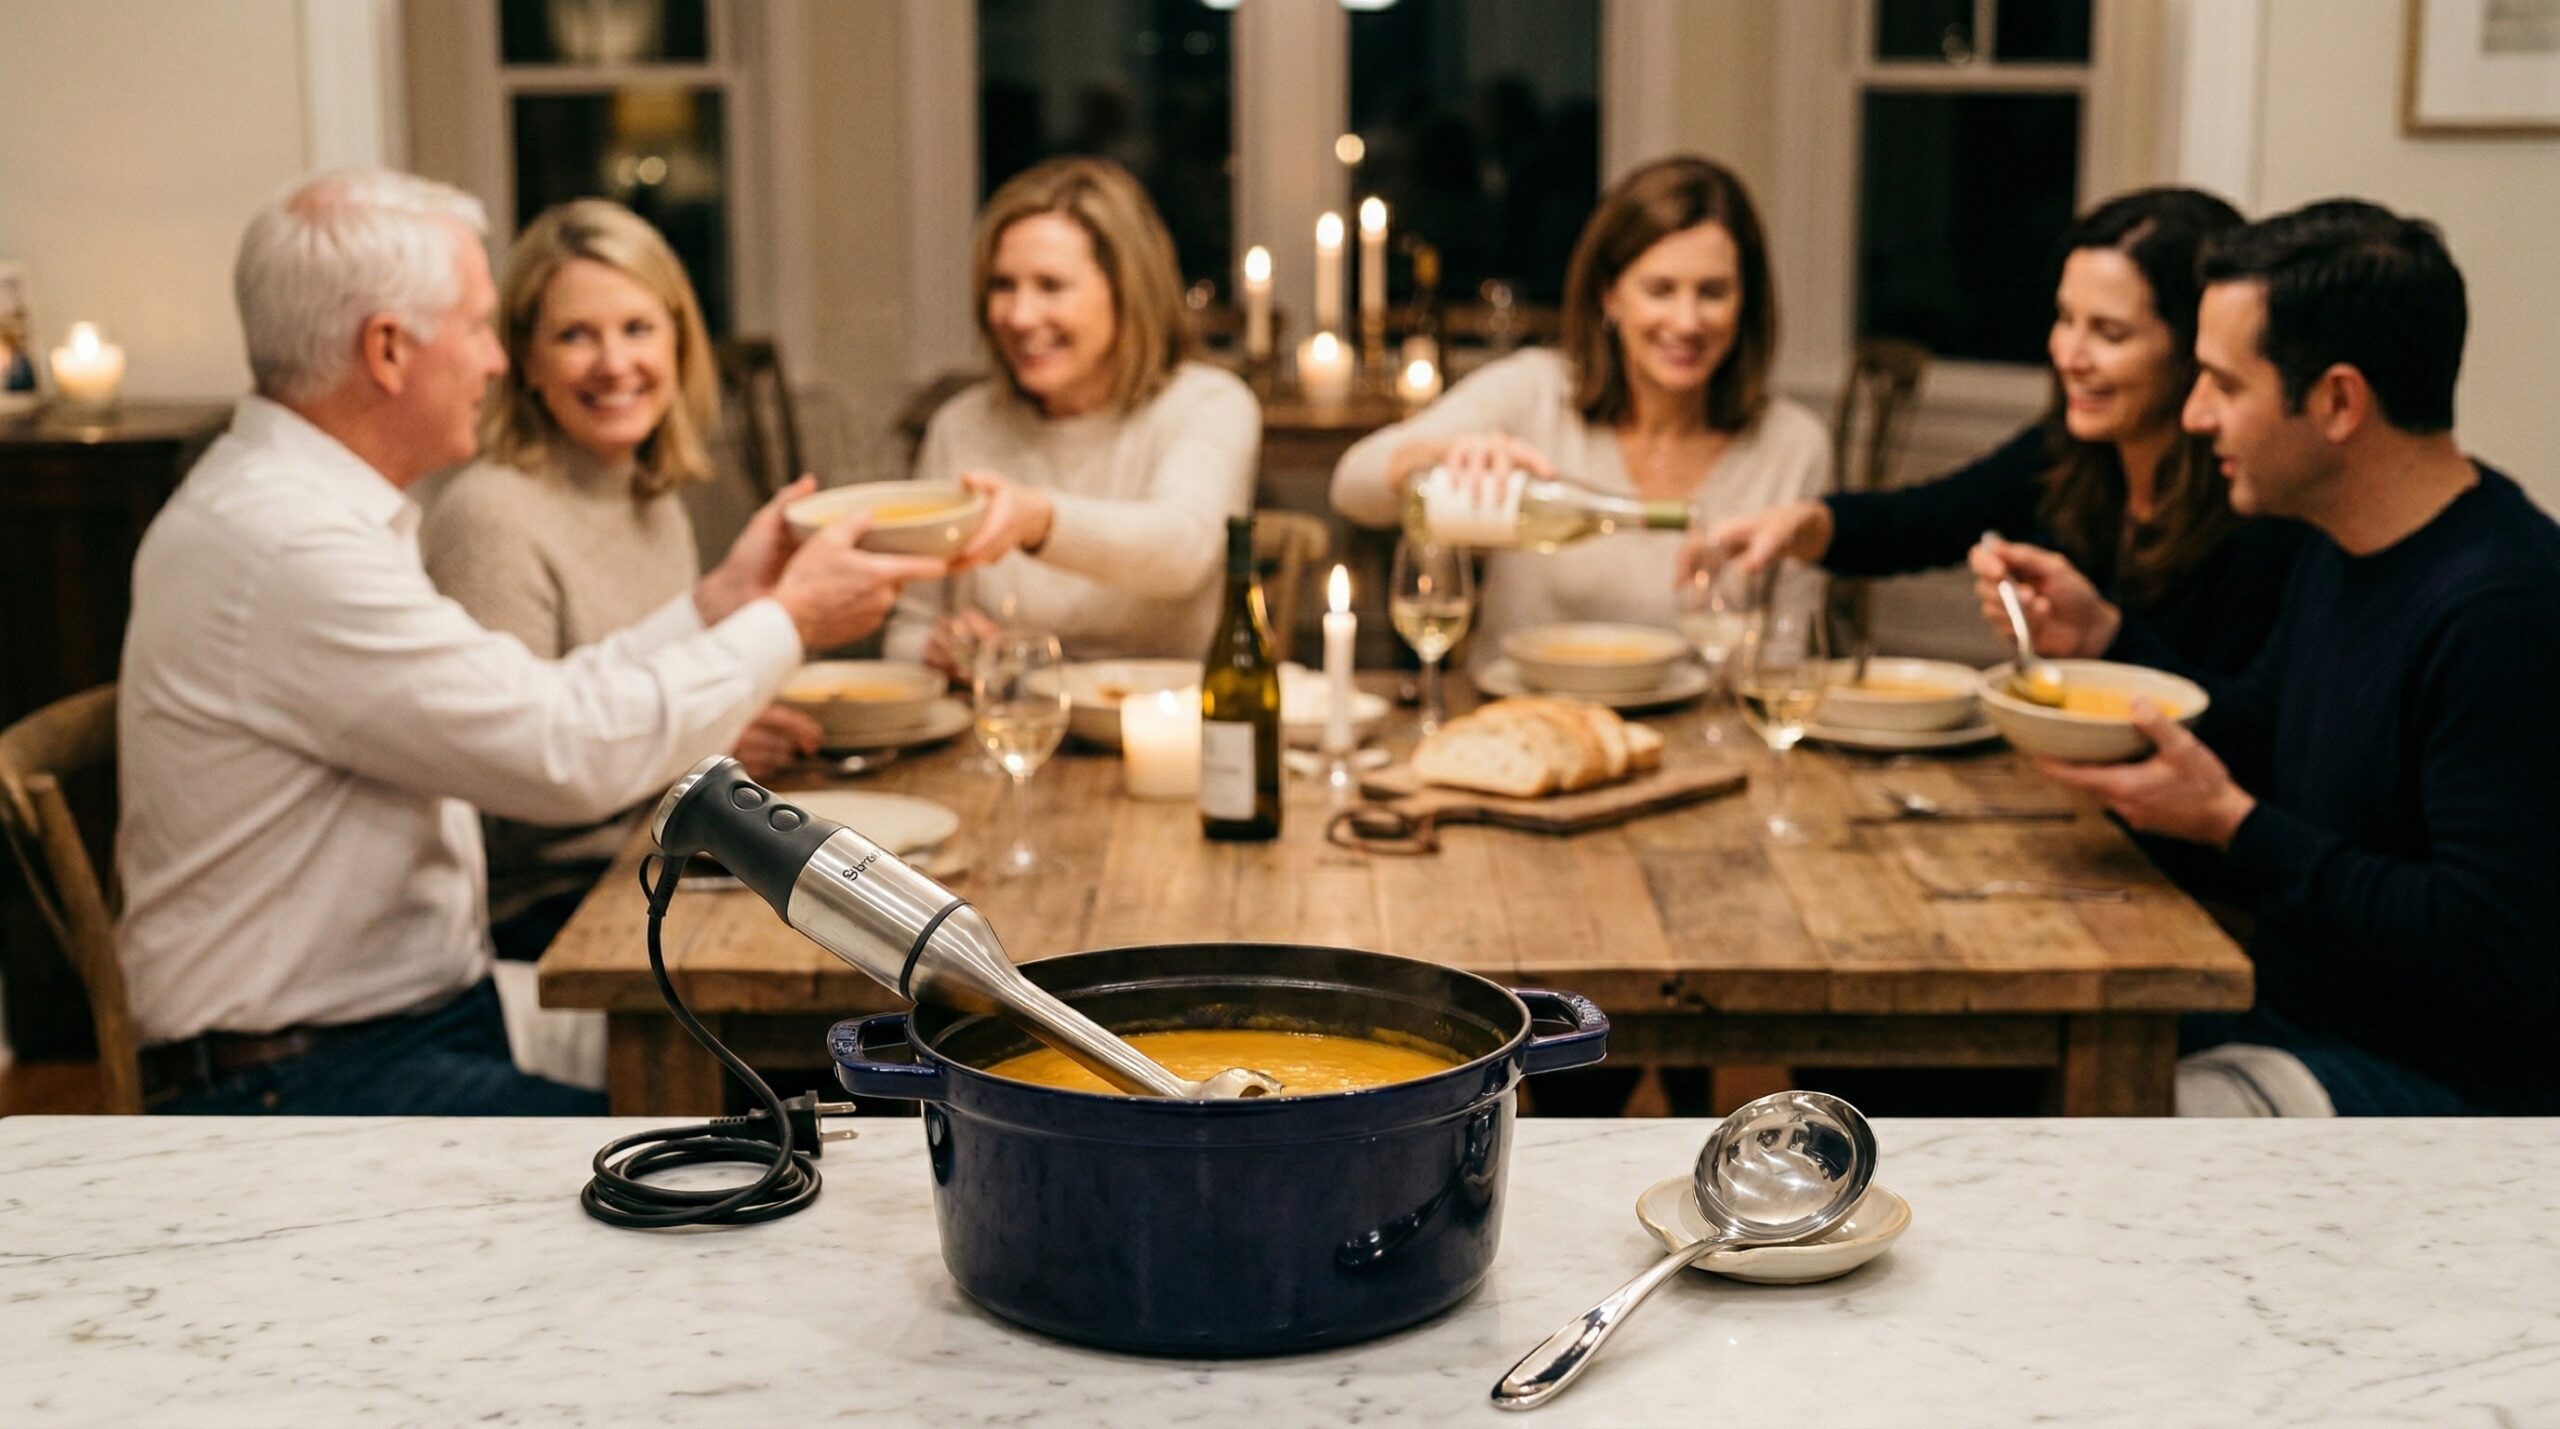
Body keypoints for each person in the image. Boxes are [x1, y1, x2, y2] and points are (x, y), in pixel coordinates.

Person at [117, 170, 945, 1115]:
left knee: (783, 1117)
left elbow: (536, 696)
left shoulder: (300, 512)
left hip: (399, 1021)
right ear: (388, 349)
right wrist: (789, 619)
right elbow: (564, 753)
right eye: (475, 327)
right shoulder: (287, 544)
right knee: (752, 1160)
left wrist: (721, 601)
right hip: (299, 1076)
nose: (496, 360)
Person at [1998, 200, 2560, 1115]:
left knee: (2075, 1137)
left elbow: (2496, 945)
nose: (2193, 413)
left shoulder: (2503, 609)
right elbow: (2263, 732)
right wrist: (2106, 642)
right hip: (2293, 1015)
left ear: (2338, 401)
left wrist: (2233, 824)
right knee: (1957, 1078)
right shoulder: (2338, 545)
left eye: (2223, 383)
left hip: (2443, 1085)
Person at [421, 199, 820, 963]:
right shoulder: (489, 517)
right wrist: (698, 743)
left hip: (655, 862)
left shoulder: (649, 494)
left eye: (638, 329)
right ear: (526, 361)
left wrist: (716, 736)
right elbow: (509, 804)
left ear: (678, 343)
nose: (614, 364)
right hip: (554, 914)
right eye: (575, 335)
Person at [1694, 187, 2308, 683]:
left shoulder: (2257, 510)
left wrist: (2106, 636)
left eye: (2110, 333)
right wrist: (1806, 523)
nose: (2069, 354)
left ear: (2192, 349)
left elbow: (2245, 736)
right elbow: (1925, 519)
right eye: (2064, 319)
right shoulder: (2071, 455)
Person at [1330, 154, 1831, 669]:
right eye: (1659, 290)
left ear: (1745, 302)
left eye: (1713, 292)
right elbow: (1352, 486)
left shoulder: (1792, 445)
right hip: (1522, 727)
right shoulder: (1535, 393)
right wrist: (1435, 454)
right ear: (1609, 296)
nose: (1687, 322)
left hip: (1699, 738)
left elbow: (1785, 658)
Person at [883, 156, 1260, 669]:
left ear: (1127, 291)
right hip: (1010, 732)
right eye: (1003, 286)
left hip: (1168, 731)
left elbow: (1182, 552)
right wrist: (937, 650)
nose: (1018, 316)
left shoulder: (1208, 404)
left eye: (1051, 286)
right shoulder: (962, 425)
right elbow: (907, 629)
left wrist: (1039, 521)